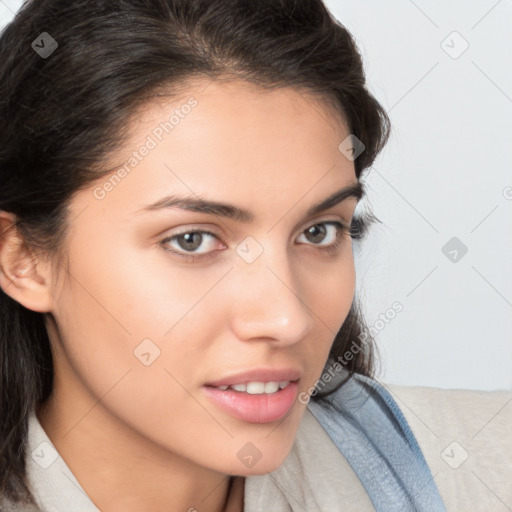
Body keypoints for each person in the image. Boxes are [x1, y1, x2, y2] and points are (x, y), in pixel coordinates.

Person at [3, 0, 503, 511]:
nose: (288, 320)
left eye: (319, 231)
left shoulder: (483, 469)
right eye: (192, 240)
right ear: (22, 258)